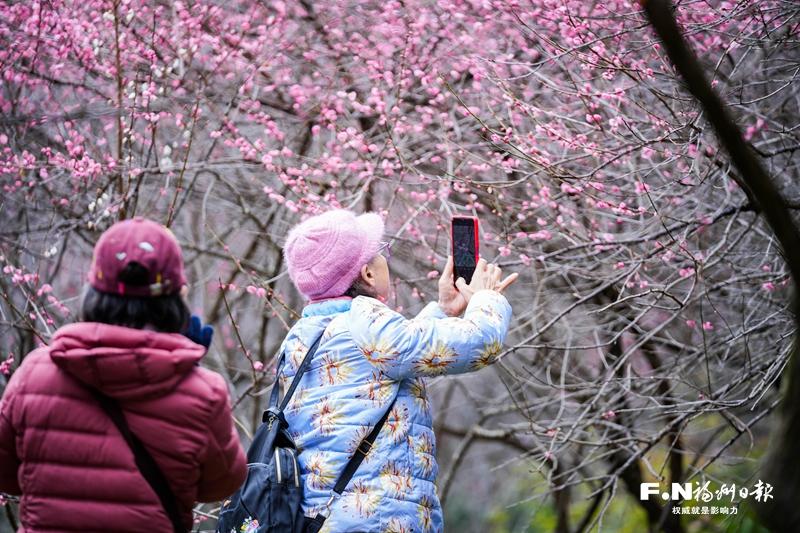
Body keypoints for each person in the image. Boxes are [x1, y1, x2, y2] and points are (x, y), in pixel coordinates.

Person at [0, 217, 247, 532]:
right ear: (174, 299)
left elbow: (7, 474)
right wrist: (189, 374)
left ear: (94, 291)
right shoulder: (202, 392)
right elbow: (222, 483)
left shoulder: (34, 374)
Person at [280, 209, 517, 533]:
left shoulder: (300, 337)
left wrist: (444, 311)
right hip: (380, 519)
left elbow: (381, 367)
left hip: (324, 520)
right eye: (380, 254)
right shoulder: (365, 318)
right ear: (367, 274)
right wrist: (487, 299)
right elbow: (479, 343)